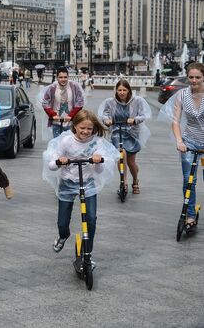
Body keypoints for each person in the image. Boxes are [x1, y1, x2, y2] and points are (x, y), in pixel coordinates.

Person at [42, 110, 118, 270]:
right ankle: (63, 236)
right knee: (62, 222)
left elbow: (98, 171)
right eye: (82, 128)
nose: (85, 132)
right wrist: (59, 161)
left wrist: (97, 161)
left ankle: (87, 255)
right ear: (75, 126)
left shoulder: (97, 143)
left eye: (89, 129)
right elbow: (51, 165)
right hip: (67, 183)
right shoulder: (66, 142)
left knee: (90, 219)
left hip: (88, 183)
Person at [160, 62, 204, 230]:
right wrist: (179, 141)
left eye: (198, 77)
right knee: (188, 180)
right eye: (191, 77)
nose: (194, 81)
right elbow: (176, 121)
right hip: (190, 140)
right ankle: (190, 214)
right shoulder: (182, 95)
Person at [98, 79, 152, 194]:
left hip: (132, 132)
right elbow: (105, 114)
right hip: (117, 131)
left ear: (129, 91)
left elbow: (144, 114)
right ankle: (124, 181)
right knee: (121, 154)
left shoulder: (137, 100)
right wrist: (106, 120)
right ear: (116, 91)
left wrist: (135, 120)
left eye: (124, 90)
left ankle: (135, 180)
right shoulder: (110, 102)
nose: (121, 92)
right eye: (119, 90)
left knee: (131, 162)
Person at [40, 66, 85, 140]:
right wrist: (53, 114)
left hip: (71, 122)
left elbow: (80, 102)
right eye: (61, 77)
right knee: (57, 145)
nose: (63, 79)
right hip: (56, 122)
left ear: (68, 77)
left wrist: (71, 115)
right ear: (57, 77)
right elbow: (45, 103)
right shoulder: (52, 88)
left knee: (69, 146)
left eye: (65, 77)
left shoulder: (74, 86)